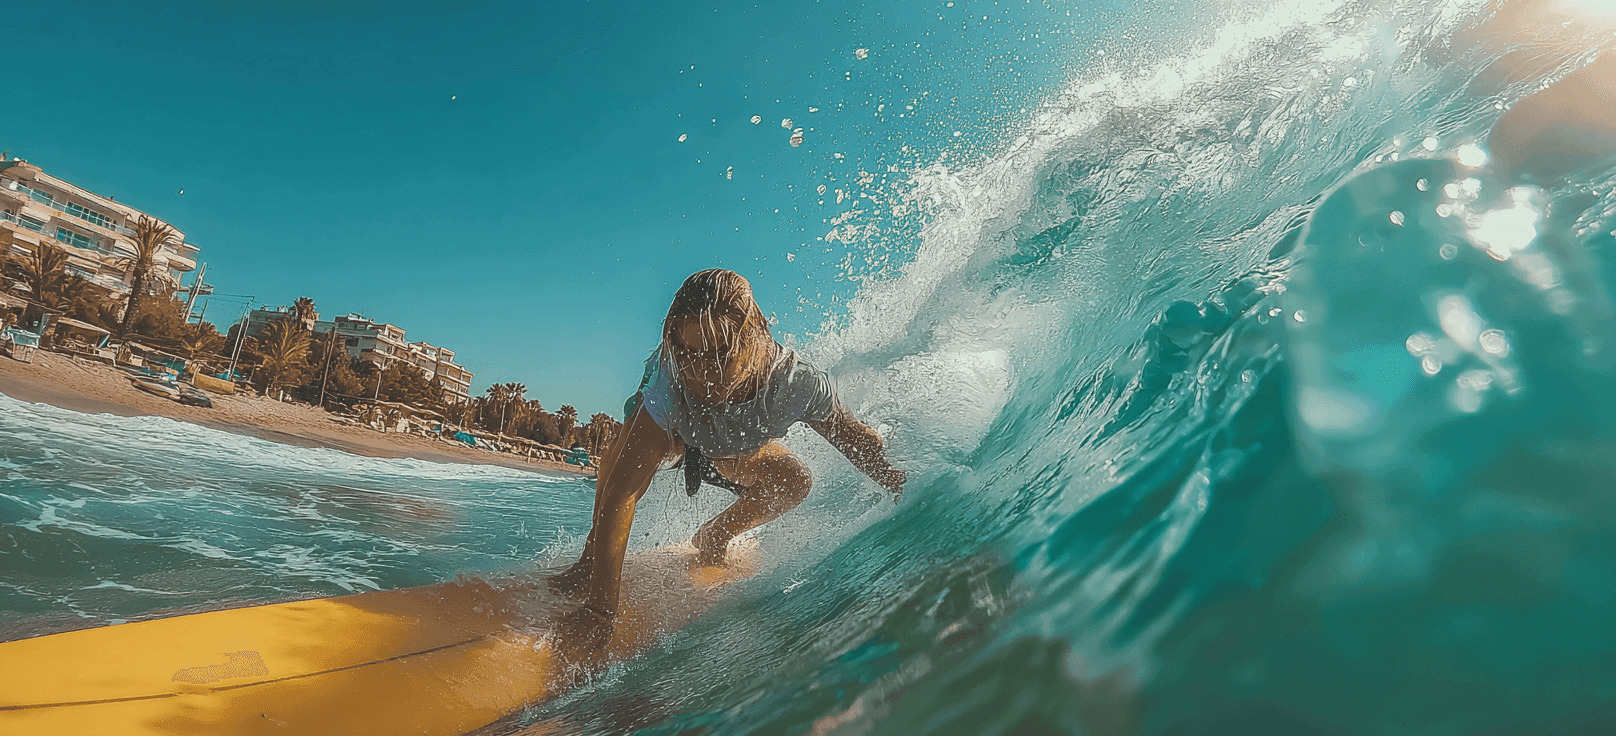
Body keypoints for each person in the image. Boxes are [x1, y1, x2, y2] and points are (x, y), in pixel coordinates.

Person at [547, 269, 905, 641]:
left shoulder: (795, 383)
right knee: (621, 455)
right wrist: (599, 613)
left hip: (731, 447)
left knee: (796, 480)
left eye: (717, 353)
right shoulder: (671, 379)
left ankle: (715, 536)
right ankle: (589, 560)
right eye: (686, 352)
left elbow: (856, 444)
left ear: (755, 335)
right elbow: (623, 490)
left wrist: (901, 482)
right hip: (675, 430)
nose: (699, 371)